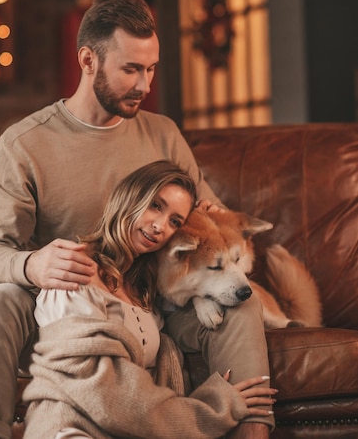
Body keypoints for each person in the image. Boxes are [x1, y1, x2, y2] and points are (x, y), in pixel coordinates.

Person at [0, 0, 274, 439]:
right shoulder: (24, 144)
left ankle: (253, 429)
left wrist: (217, 218)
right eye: (131, 69)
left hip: (149, 297)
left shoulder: (163, 133)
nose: (145, 84)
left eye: (151, 69)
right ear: (88, 61)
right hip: (64, 301)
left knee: (239, 305)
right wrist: (34, 263)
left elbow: (205, 217)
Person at [23, 160, 276, 439]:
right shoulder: (73, 272)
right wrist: (214, 406)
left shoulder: (146, 295)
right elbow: (105, 395)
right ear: (129, 198)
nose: (159, 226)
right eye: (155, 205)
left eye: (174, 221)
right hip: (71, 430)